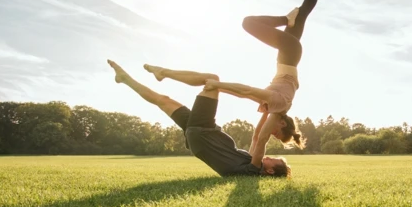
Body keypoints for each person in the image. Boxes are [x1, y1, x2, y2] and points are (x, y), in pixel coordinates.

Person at [200, 0, 327, 156]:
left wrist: (218, 89)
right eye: (278, 134)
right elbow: (247, 91)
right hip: (288, 52)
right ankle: (286, 19)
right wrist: (217, 85)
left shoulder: (274, 106)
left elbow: (247, 105)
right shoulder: (279, 104)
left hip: (289, 54)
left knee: (302, 13)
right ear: (283, 125)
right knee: (248, 23)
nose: (273, 134)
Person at [107, 59, 291, 178]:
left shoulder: (254, 169)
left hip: (204, 132)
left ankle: (164, 73)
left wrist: (275, 112)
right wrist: (266, 113)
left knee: (212, 80)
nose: (269, 156)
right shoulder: (249, 164)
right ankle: (125, 79)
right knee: (163, 101)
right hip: (200, 138)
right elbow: (256, 138)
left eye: (274, 159)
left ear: (270, 170)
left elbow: (262, 141)